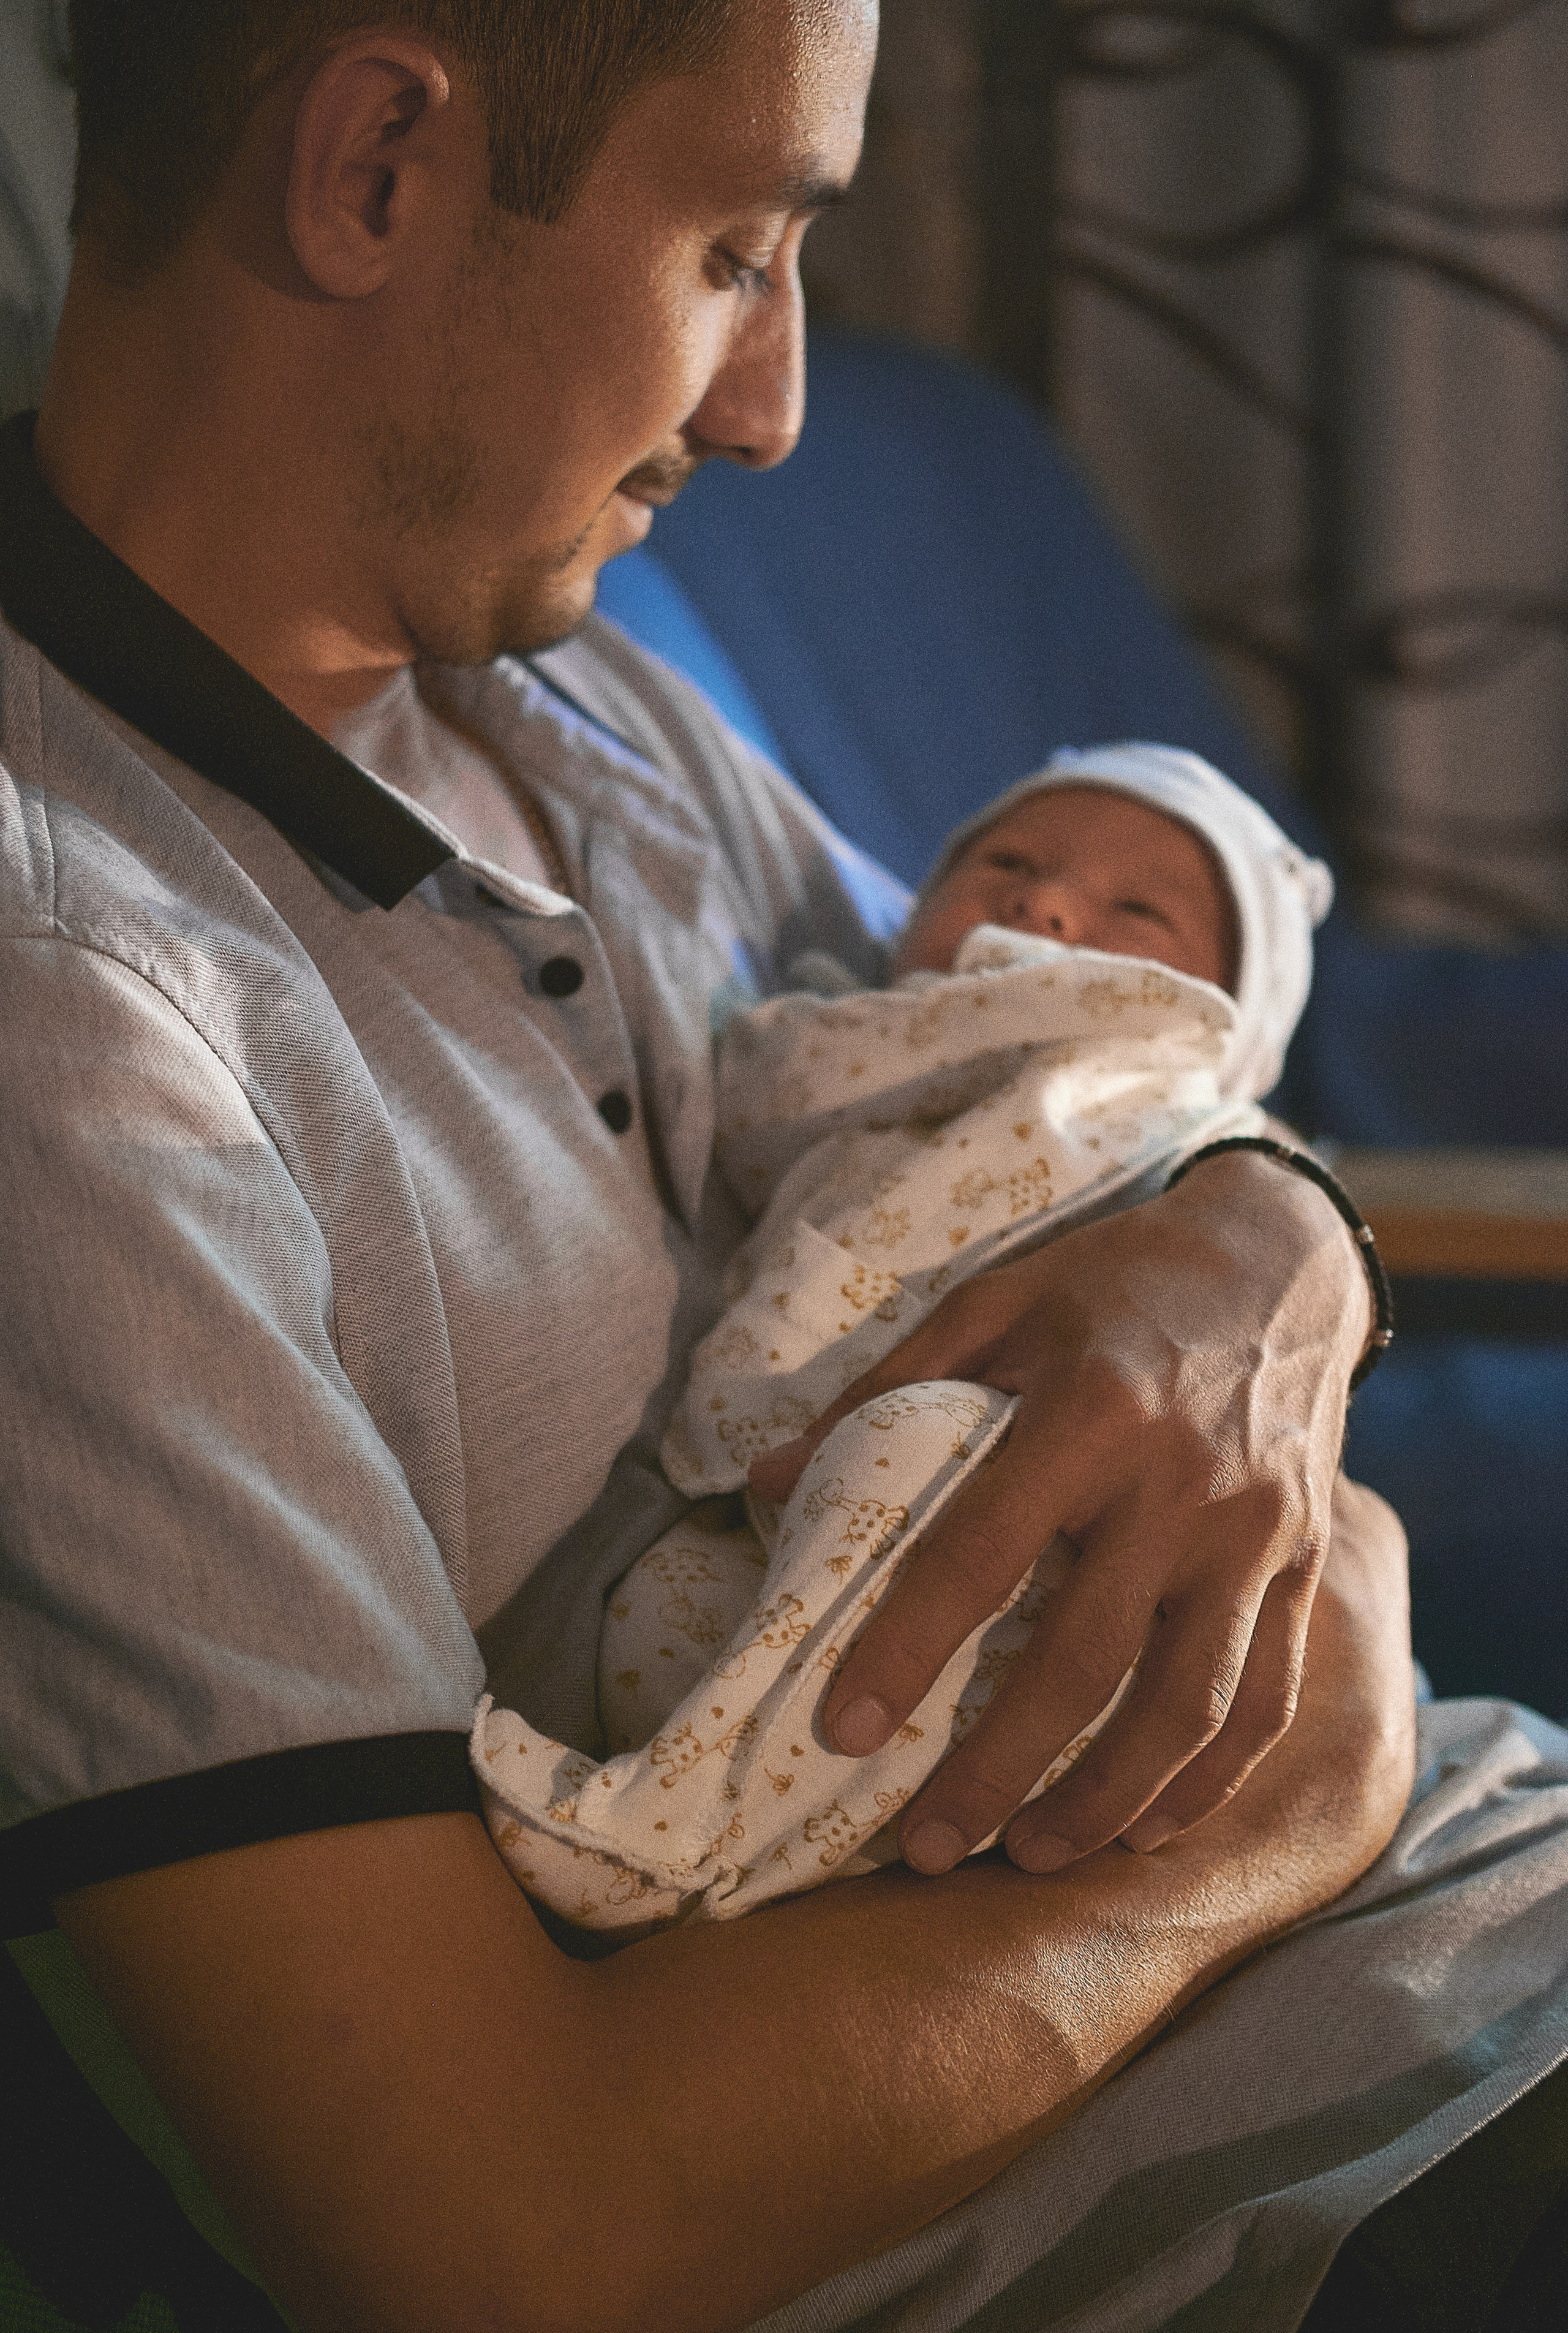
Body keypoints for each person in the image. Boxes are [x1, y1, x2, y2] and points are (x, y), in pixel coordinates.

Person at [1, 0, 1566, 2332]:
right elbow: (499, 2228)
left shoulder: (562, 691)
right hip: (1341, 2157)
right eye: (742, 247)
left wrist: (1275, 1235)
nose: (775, 408)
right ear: (377, 171)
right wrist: (1282, 1823)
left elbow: (1086, 1073)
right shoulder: (77, 1011)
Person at [478, 744, 1341, 1934]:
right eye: (1007, 862)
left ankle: (673, 1830)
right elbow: (738, 1133)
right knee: (654, 1607)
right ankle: (780, 1832)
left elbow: (1269, 1238)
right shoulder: (828, 1050)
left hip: (1031, 1534)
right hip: (764, 1518)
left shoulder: (1173, 1111)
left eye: (1137, 910)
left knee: (911, 1442)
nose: (1044, 905)